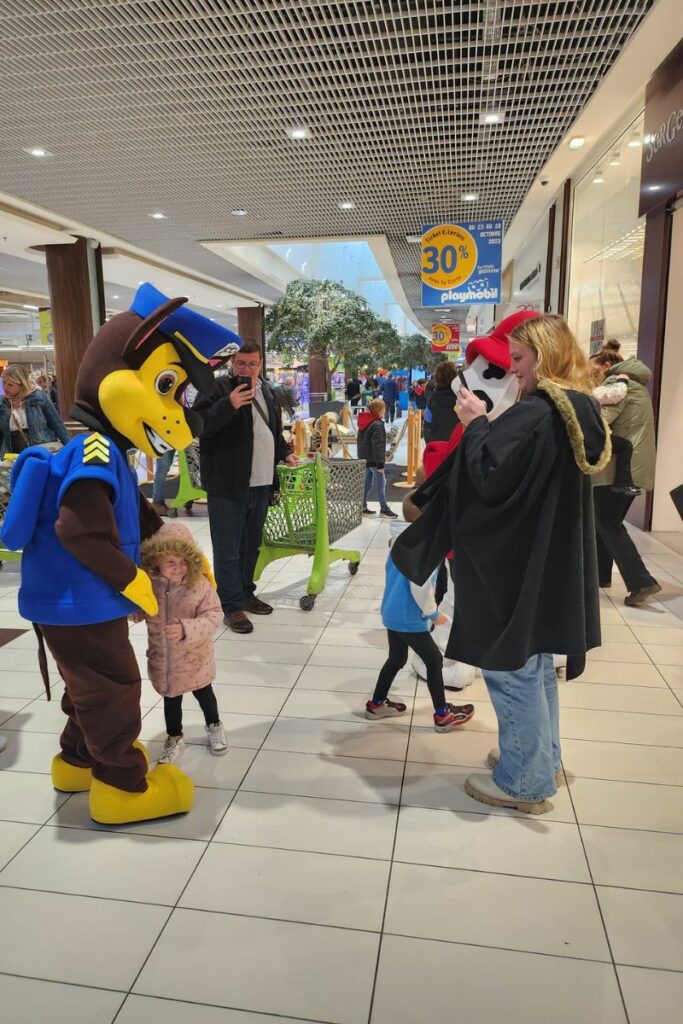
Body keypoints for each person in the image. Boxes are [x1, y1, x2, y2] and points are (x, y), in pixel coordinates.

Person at [394, 313, 610, 815]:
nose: (513, 370)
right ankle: (541, 760)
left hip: (512, 563)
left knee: (510, 666)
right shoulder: (576, 408)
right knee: (535, 663)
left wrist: (475, 424)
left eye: (518, 358)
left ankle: (524, 780)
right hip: (544, 558)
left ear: (544, 354)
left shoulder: (535, 412)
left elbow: (489, 477)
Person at [194, 341, 298, 634]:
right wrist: (229, 405)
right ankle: (230, 605)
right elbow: (198, 425)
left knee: (251, 545)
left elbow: (272, 431)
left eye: (252, 364)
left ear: (260, 364)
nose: (247, 369)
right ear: (232, 363)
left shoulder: (267, 391)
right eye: (241, 363)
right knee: (228, 549)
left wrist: (284, 453)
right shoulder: (216, 389)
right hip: (227, 484)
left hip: (262, 483)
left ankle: (244, 592)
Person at [365, 505, 475, 732]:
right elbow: (420, 587)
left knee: (396, 658)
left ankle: (376, 704)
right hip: (409, 617)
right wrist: (434, 614)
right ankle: (443, 715)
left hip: (392, 612)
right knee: (434, 660)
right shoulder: (423, 550)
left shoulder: (399, 542)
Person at [137, 521, 226, 763]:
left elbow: (214, 615)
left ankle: (214, 725)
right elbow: (143, 606)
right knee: (171, 700)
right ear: (156, 561)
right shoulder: (149, 585)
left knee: (204, 694)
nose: (178, 568)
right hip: (164, 660)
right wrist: (136, 611)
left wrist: (186, 628)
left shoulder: (200, 585)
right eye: (170, 562)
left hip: (194, 657)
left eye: (183, 561)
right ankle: (174, 736)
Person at [591, 354, 660, 606]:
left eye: (595, 369)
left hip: (618, 470)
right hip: (634, 467)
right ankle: (600, 576)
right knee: (605, 522)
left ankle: (641, 581)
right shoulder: (638, 387)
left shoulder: (619, 385)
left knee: (607, 522)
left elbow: (600, 421)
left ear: (607, 366)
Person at [590, 353, 638, 496]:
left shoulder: (584, 389)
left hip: (589, 434)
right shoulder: (594, 391)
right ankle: (622, 483)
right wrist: (622, 380)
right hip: (593, 435)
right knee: (625, 446)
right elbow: (616, 394)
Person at [0, 364, 70, 457]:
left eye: (10, 385)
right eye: (4, 383)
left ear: (22, 384)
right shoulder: (2, 402)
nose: (5, 388)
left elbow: (56, 424)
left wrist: (70, 448)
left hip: (41, 451)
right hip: (12, 455)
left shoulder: (38, 397)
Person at [357, 398, 397, 519]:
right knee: (381, 484)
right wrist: (380, 464)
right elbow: (378, 445)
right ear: (379, 410)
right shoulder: (377, 425)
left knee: (367, 484)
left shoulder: (364, 422)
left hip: (365, 459)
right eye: (383, 408)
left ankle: (362, 507)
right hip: (374, 461)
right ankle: (384, 508)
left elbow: (360, 442)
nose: (385, 410)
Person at [423, 360, 459, 443]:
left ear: (437, 377)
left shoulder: (433, 398)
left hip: (436, 442)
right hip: (457, 442)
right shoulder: (461, 397)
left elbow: (427, 423)